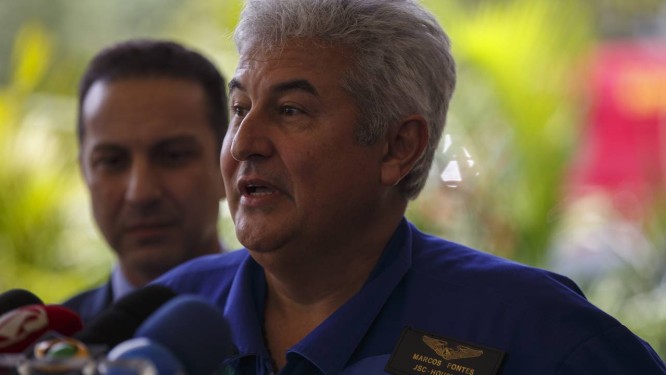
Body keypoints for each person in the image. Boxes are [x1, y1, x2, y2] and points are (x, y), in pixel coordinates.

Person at [155, 0, 666, 373]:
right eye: (240, 108)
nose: (244, 142)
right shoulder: (166, 315)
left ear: (399, 147)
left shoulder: (534, 334)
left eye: (291, 111)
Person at [63, 39, 228, 324]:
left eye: (173, 156)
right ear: (85, 174)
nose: (141, 193)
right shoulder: (51, 350)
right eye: (112, 162)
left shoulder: (297, 332)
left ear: (228, 166)